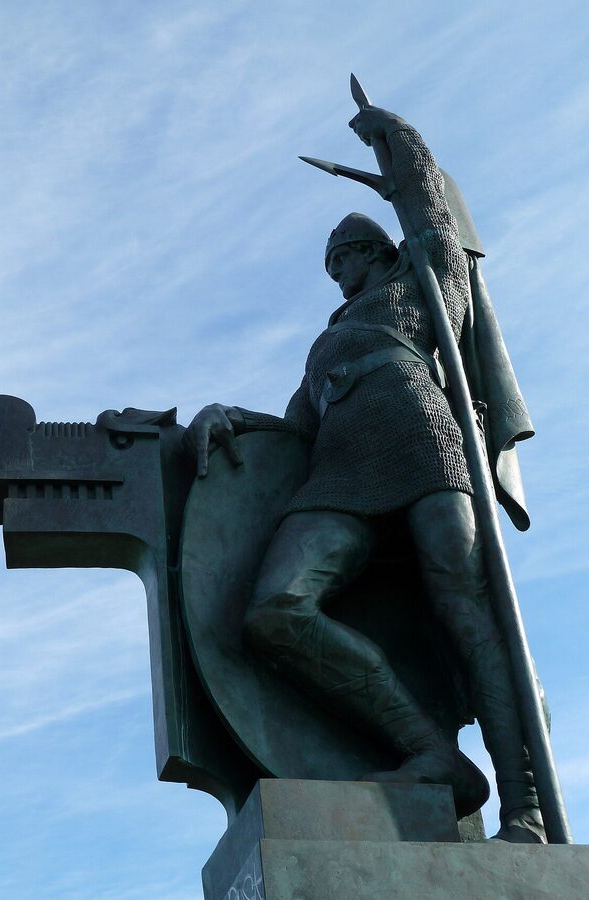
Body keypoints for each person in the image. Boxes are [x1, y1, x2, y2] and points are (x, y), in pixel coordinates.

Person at [184, 105, 544, 843]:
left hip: (423, 443)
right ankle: (433, 756)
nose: (335, 273)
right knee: (274, 612)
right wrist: (226, 413)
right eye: (330, 265)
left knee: (468, 613)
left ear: (371, 251)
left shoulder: (421, 286)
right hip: (338, 471)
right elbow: (293, 430)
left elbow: (430, 210)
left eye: (340, 257)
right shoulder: (327, 343)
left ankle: (524, 807)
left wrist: (395, 135)